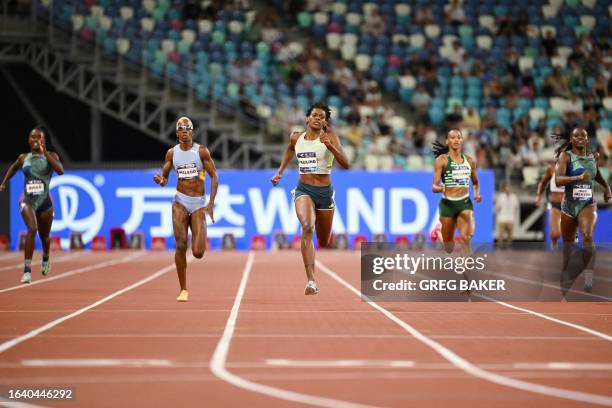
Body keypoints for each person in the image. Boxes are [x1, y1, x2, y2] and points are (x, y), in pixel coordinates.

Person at [271, 103, 349, 295]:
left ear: (325, 121)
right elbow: (290, 149)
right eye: (314, 115)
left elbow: (346, 164)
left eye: (322, 117)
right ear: (307, 118)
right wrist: (280, 172)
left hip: (324, 192)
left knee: (323, 241)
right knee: (307, 227)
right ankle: (311, 281)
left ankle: (314, 269)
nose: (317, 118)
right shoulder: (296, 137)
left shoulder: (329, 137)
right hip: (303, 189)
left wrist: (330, 146)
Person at [153, 117, 218, 302]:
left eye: (187, 129)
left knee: (198, 252)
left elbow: (214, 176)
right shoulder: (171, 154)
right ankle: (183, 289)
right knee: (180, 244)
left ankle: (197, 243)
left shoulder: (201, 151)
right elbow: (165, 178)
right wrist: (161, 181)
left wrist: (211, 203)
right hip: (180, 202)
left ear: (192, 132)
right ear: (176, 134)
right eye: (180, 129)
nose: (184, 132)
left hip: (198, 204)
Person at [0, 127, 64, 283]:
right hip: (27, 200)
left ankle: (46, 257)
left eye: (39, 137)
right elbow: (14, 168)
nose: (35, 139)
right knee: (32, 228)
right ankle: (27, 271)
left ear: (44, 140)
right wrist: (3, 183)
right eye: (32, 137)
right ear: (28, 140)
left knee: (45, 237)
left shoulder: (52, 156)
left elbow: (60, 171)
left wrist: (45, 153)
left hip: (45, 201)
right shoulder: (24, 158)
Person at [554, 128, 611, 293]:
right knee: (568, 247)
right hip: (569, 206)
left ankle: (588, 276)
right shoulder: (566, 157)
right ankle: (567, 274)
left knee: (587, 236)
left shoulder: (593, 156)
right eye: (576, 136)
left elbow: (596, 174)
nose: (580, 138)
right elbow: (558, 180)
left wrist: (606, 187)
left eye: (583, 136)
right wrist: (577, 178)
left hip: (588, 203)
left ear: (587, 139)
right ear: (571, 139)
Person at [432, 129, 481, 254]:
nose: (456, 140)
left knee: (466, 237)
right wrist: (440, 188)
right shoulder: (442, 160)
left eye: (459, 137)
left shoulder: (470, 161)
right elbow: (434, 186)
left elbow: (475, 182)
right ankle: (438, 230)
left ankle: (466, 265)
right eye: (452, 138)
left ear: (462, 140)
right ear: (447, 141)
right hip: (448, 204)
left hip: (464, 203)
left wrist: (476, 194)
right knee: (449, 249)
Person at [535, 161, 564, 249]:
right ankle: (554, 243)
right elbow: (543, 183)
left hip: (569, 204)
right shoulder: (551, 169)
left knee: (571, 234)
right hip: (555, 204)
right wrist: (538, 196)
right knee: (555, 234)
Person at [495, 182, 519, 248]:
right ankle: (500, 248)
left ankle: (509, 248)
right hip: (502, 218)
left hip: (510, 218)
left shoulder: (514, 197)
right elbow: (497, 207)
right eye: (506, 188)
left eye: (509, 188)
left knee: (510, 236)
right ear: (504, 189)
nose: (508, 189)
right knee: (501, 235)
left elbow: (516, 208)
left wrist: (513, 217)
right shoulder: (501, 197)